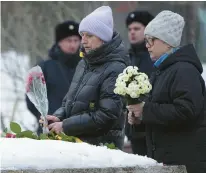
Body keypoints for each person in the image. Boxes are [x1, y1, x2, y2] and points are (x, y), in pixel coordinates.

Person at [127, 10, 206, 173]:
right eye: (147, 40)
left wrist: (145, 110)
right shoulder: (163, 70)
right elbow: (161, 116)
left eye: (151, 40)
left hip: (185, 162)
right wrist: (139, 119)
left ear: (167, 42)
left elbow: (187, 110)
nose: (147, 45)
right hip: (168, 160)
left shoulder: (184, 70)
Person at [40, 6, 129, 150]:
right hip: (79, 146)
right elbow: (69, 102)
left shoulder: (116, 68)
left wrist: (65, 125)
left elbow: (106, 115)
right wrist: (58, 117)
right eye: (82, 35)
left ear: (103, 37)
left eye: (89, 35)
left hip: (102, 150)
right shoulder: (84, 63)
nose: (83, 41)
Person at [26, 20, 81, 134]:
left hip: (79, 130)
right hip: (49, 130)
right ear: (59, 42)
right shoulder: (44, 67)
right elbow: (31, 97)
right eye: (68, 40)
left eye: (76, 40)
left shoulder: (85, 66)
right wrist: (44, 117)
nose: (73, 44)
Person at [125, 10, 154, 156]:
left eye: (137, 29)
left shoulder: (154, 57)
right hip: (133, 128)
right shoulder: (127, 57)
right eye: (129, 29)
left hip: (152, 126)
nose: (132, 33)